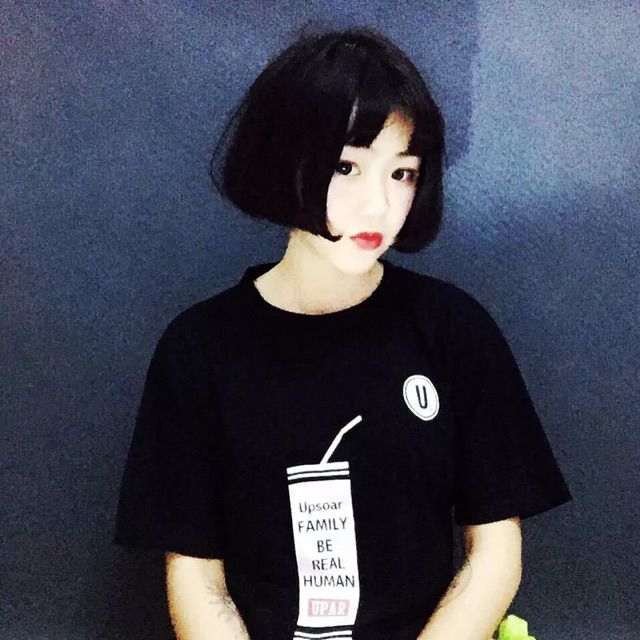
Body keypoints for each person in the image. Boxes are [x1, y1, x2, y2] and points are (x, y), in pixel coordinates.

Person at [113, 26, 572, 640]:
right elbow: (197, 581)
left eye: (402, 173)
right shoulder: (199, 350)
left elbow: (495, 554)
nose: (378, 206)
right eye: (347, 167)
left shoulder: (453, 330)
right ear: (283, 160)